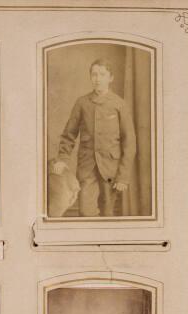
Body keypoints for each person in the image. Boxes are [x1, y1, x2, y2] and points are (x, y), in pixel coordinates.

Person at [52, 58, 137, 217]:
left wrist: (123, 177)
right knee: (86, 212)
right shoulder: (82, 103)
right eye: (94, 74)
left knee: (108, 213)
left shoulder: (119, 104)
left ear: (110, 78)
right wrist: (62, 158)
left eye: (102, 74)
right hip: (87, 167)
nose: (97, 79)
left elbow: (129, 143)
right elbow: (69, 134)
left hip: (111, 170)